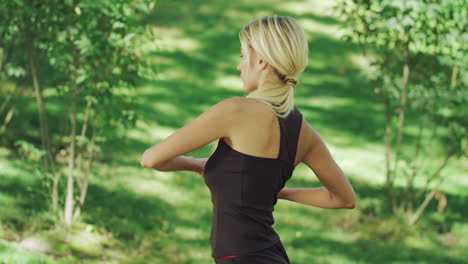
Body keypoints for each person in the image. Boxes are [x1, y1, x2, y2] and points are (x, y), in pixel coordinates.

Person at [140, 15, 357, 264]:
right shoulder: (303, 132)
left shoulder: (235, 111)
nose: (239, 65)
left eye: (243, 55)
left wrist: (193, 164)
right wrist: (277, 192)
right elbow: (344, 198)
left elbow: (151, 158)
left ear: (262, 61)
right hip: (271, 255)